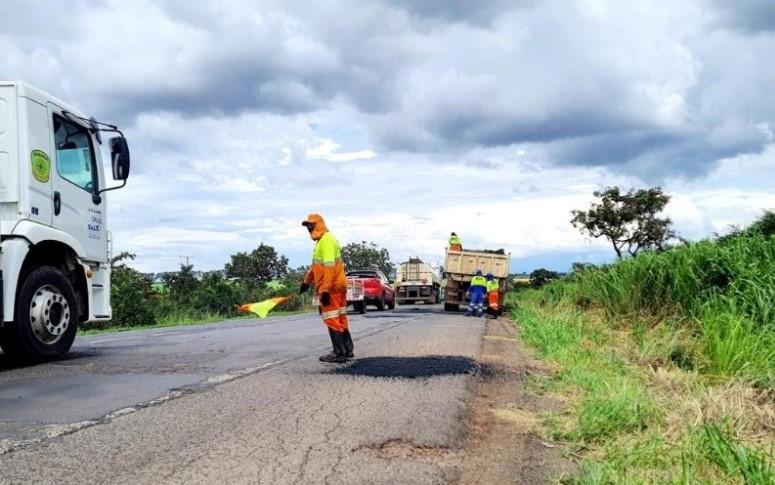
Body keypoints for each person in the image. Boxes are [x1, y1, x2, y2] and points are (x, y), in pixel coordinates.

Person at [300, 214, 354, 363]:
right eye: (307, 226)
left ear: (319, 225)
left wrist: (324, 290)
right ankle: (347, 349)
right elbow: (316, 267)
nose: (309, 229)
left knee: (331, 318)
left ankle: (339, 353)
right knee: (340, 317)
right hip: (337, 285)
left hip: (332, 287)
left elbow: (329, 268)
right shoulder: (322, 241)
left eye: (311, 225)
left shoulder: (327, 241)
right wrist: (306, 282)